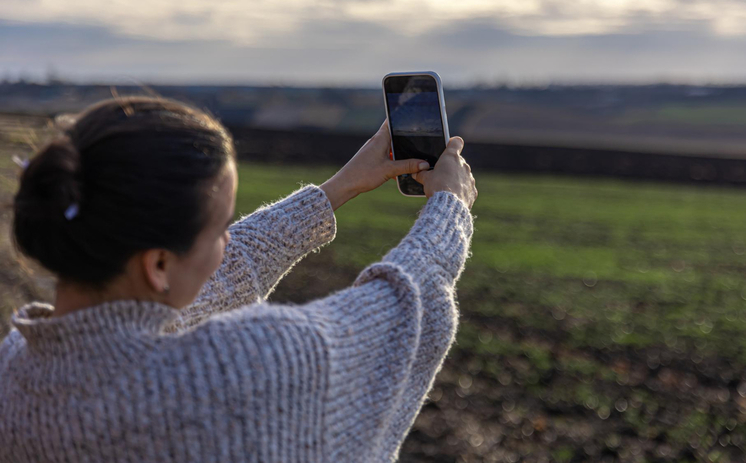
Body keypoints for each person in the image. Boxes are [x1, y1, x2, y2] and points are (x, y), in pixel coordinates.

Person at [0, 96, 477, 463]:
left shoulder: (13, 367)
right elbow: (398, 312)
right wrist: (448, 212)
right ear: (159, 265)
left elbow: (218, 280)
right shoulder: (234, 369)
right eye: (218, 230)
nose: (228, 242)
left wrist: (341, 187)